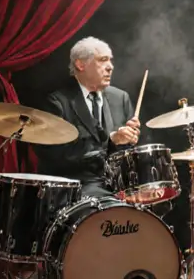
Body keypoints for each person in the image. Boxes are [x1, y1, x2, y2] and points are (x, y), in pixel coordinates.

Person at [35, 37, 141, 199]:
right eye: (103, 60)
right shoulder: (58, 102)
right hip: (76, 187)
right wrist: (112, 140)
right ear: (80, 64)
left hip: (118, 185)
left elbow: (127, 155)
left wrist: (129, 138)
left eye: (110, 61)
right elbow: (56, 156)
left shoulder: (120, 98)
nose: (110, 67)